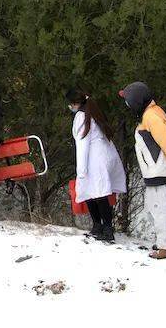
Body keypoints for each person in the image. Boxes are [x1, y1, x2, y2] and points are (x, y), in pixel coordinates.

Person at [121, 82, 166, 258]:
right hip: (154, 171)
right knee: (152, 206)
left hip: (159, 170)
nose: (127, 105)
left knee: (161, 207)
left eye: (128, 100)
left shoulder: (151, 116)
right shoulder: (149, 114)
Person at [68, 89, 126, 242]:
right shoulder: (93, 112)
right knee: (96, 193)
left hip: (93, 160)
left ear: (75, 103)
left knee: (95, 194)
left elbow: (83, 144)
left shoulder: (81, 117)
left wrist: (81, 169)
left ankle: (102, 227)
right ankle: (103, 227)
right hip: (104, 158)